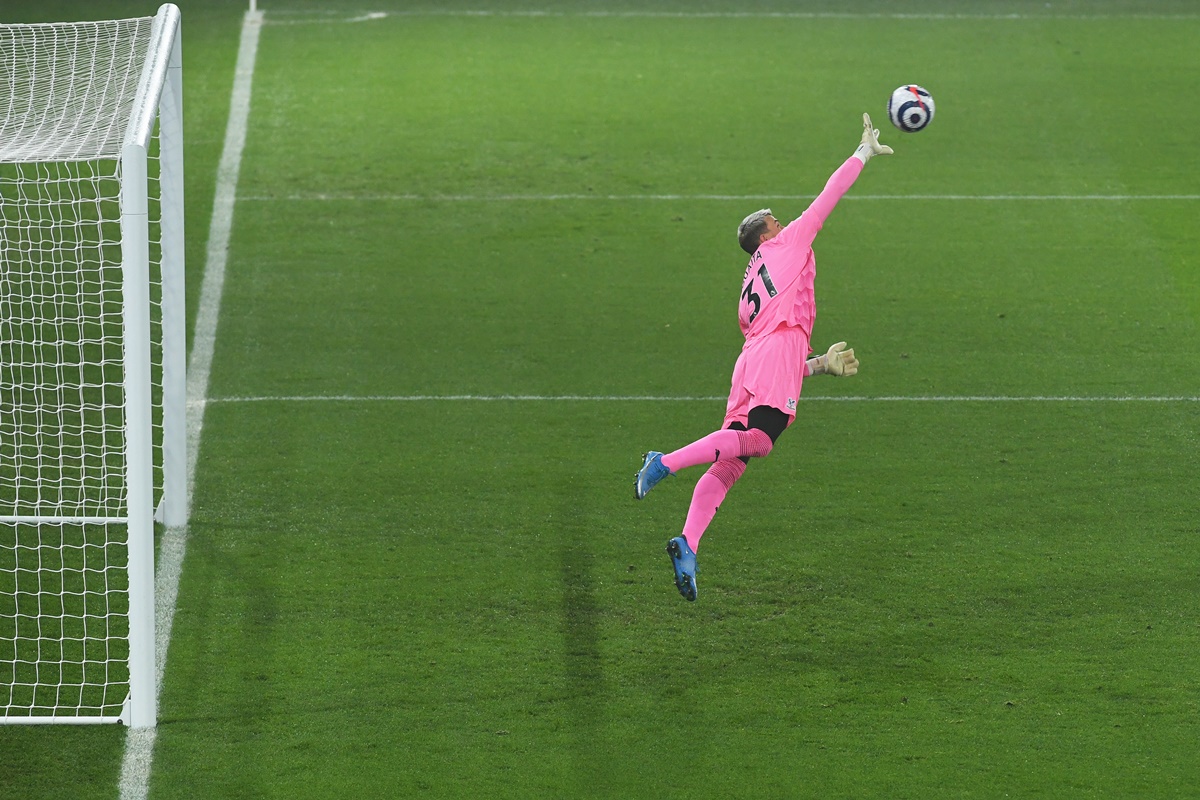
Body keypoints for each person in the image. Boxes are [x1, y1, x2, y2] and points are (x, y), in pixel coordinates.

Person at [633, 113, 893, 601]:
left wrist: (816, 366)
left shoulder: (749, 284)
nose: (783, 218)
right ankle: (664, 461)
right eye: (775, 218)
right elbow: (828, 197)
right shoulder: (788, 242)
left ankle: (687, 543)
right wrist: (863, 152)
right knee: (759, 440)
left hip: (752, 360)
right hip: (773, 351)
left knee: (732, 458)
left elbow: (770, 338)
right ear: (766, 234)